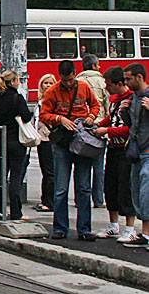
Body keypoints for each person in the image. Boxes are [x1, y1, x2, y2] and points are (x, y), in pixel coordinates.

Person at [40, 59, 100, 240]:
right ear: (61, 77)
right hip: (63, 143)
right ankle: (60, 228)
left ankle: (84, 229)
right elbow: (44, 115)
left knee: (83, 187)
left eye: (71, 79)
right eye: (65, 80)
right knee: (61, 188)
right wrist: (59, 119)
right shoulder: (52, 91)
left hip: (81, 140)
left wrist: (91, 116)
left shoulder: (83, 87)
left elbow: (95, 105)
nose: (68, 83)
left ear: (75, 74)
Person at [94, 66, 137, 242]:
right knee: (110, 186)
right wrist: (97, 124)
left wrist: (108, 130)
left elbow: (130, 128)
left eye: (109, 84)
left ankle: (130, 227)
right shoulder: (115, 100)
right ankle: (113, 224)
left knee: (125, 187)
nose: (106, 87)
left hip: (125, 149)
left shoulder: (132, 101)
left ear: (119, 84)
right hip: (112, 148)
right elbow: (111, 118)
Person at [0, 69, 33, 220]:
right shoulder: (17, 98)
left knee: (1, 177)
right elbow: (26, 117)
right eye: (18, 80)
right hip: (16, 142)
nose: (19, 82)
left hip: (1, 142)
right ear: (13, 82)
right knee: (15, 177)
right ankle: (16, 212)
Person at [121, 63, 149, 247]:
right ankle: (145, 232)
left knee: (146, 190)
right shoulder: (133, 98)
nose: (126, 82)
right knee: (137, 190)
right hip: (136, 151)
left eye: (129, 79)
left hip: (147, 151)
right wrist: (124, 112)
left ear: (139, 77)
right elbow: (132, 125)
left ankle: (146, 233)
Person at [78, 54, 109, 208]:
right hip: (98, 125)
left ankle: (80, 199)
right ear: (95, 66)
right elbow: (107, 105)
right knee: (98, 165)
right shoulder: (102, 81)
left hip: (81, 127)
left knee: (81, 164)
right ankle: (98, 199)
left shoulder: (77, 81)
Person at [32, 73, 57, 213]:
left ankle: (49, 202)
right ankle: (44, 200)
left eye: (50, 83)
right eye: (45, 83)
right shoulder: (41, 100)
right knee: (45, 170)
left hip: (48, 138)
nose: (47, 85)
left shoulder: (52, 101)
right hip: (41, 138)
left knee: (49, 171)